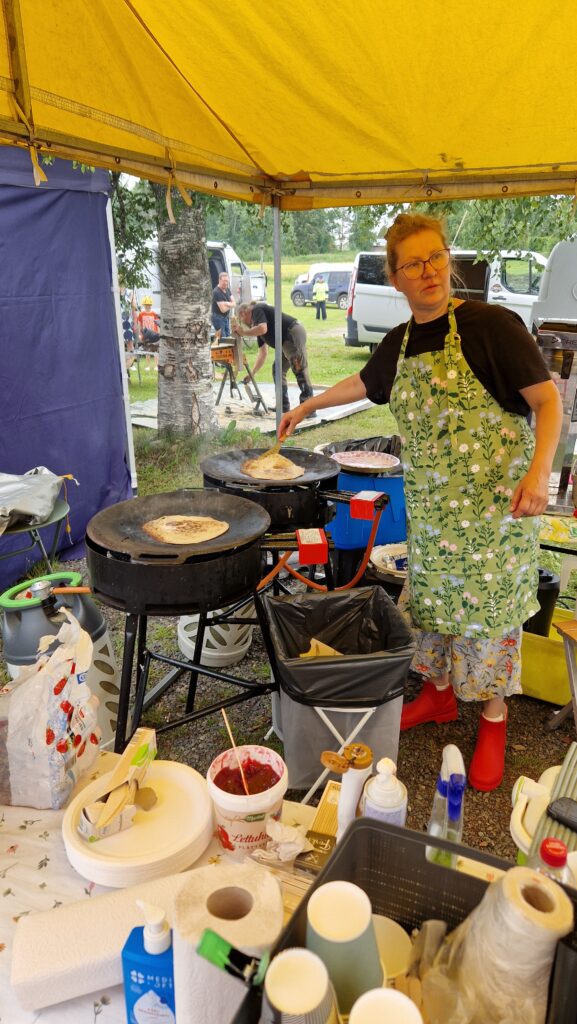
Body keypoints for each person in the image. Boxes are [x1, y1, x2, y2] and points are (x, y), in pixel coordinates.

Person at [279, 213, 562, 792]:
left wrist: (539, 474)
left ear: (448, 260)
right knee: (431, 607)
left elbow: (547, 402)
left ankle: (492, 721)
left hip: (494, 517)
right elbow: (362, 383)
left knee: (487, 618)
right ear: (396, 276)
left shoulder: (492, 326)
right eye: (413, 263)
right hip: (434, 517)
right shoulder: (400, 342)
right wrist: (308, 408)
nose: (429, 271)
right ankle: (436, 697)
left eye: (435, 257)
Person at [234, 301, 315, 415]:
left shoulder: (256, 309)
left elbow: (263, 329)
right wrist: (252, 373)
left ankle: (309, 409)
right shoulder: (256, 325)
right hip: (285, 341)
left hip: (291, 333)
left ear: (243, 313)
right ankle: (282, 406)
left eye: (240, 319)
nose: (241, 322)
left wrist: (244, 333)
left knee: (299, 368)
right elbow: (263, 353)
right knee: (278, 369)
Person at [136, 295, 160, 371]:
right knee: (147, 350)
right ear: (144, 305)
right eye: (146, 305)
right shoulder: (141, 314)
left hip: (154, 335)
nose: (147, 306)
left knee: (155, 350)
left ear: (151, 305)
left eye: (149, 305)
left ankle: (157, 365)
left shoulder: (154, 314)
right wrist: (140, 333)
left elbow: (158, 324)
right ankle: (148, 366)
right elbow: (139, 324)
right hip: (146, 336)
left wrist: (158, 332)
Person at [211, 271, 236, 341]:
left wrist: (226, 303)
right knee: (223, 338)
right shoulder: (216, 292)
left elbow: (235, 303)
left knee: (228, 336)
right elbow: (223, 310)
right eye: (224, 281)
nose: (226, 283)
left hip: (225, 317)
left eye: (227, 281)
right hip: (218, 318)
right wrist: (231, 304)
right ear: (219, 280)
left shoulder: (227, 289)